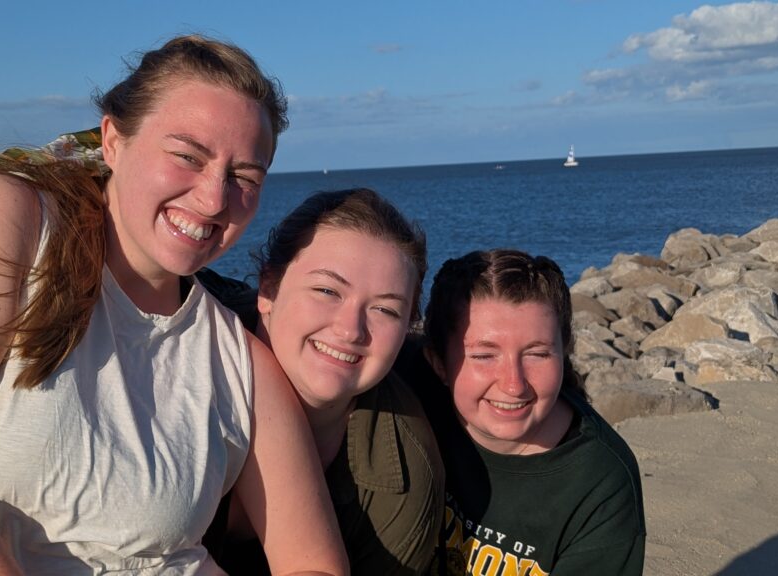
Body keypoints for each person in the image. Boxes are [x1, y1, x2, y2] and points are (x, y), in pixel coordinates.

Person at [0, 35, 347, 575]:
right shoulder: (8, 223)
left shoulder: (237, 360)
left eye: (244, 177)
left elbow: (313, 562)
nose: (213, 198)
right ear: (113, 140)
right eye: (186, 156)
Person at [196, 188, 444, 574]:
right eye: (327, 291)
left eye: (385, 309)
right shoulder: (182, 340)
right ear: (269, 290)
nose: (350, 331)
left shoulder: (403, 478)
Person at [412, 249, 645, 576]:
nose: (514, 385)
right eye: (483, 356)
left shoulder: (600, 482)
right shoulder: (409, 387)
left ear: (564, 353)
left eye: (537, 354)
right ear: (439, 363)